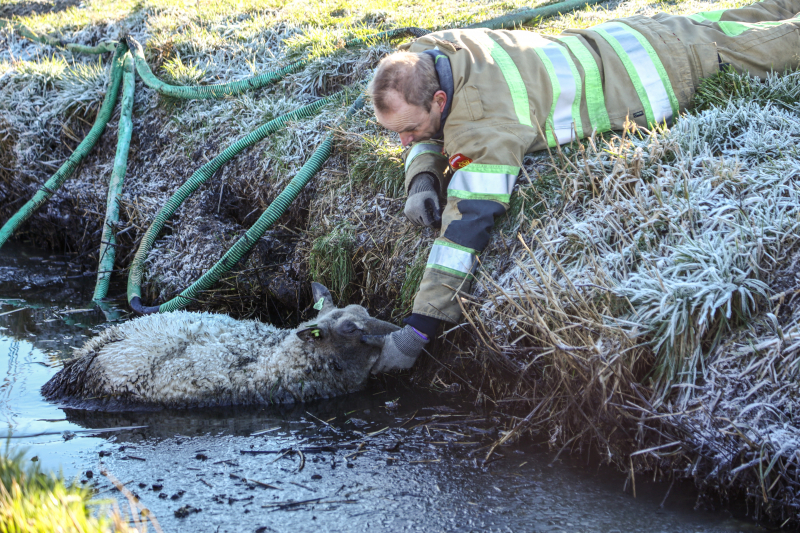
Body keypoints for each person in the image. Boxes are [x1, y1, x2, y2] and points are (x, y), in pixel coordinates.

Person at [365, 0, 800, 372]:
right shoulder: (433, 52)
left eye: (409, 130)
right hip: (628, 36)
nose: (403, 142)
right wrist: (422, 174)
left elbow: (467, 226)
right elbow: (427, 122)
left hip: (673, 65)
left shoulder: (483, 126)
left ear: (439, 100)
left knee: (788, 40)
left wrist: (417, 330)